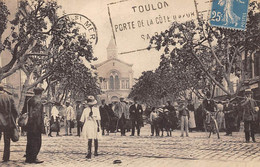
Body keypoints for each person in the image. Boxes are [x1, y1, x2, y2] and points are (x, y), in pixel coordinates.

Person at [25, 87, 45, 164]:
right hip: (35, 125)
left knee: (29, 141)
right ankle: (34, 157)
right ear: (40, 93)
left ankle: (28, 157)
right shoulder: (38, 101)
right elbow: (36, 114)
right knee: (37, 142)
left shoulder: (30, 100)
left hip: (29, 124)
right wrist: (40, 126)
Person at [0, 84, 19, 162]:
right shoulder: (9, 97)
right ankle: (6, 157)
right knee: (7, 140)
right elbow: (15, 110)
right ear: (3, 89)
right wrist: (14, 118)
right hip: (7, 121)